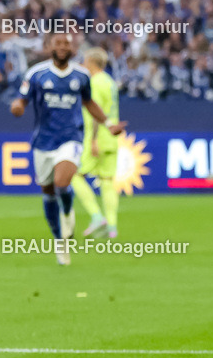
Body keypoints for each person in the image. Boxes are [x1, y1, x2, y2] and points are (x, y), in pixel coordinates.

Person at [9, 34, 126, 265]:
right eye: (58, 43)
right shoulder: (36, 74)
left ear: (72, 48)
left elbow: (89, 103)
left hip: (71, 138)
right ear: (49, 47)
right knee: (48, 192)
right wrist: (17, 107)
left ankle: (68, 213)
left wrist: (108, 124)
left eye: (66, 44)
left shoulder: (81, 75)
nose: (62, 47)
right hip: (43, 141)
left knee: (63, 182)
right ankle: (59, 242)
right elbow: (22, 99)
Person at [71, 47, 121, 239]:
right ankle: (112, 227)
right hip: (112, 137)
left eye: (85, 60)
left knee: (75, 175)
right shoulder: (110, 82)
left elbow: (96, 113)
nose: (83, 64)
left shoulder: (95, 82)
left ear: (91, 61)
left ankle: (96, 215)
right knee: (107, 182)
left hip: (98, 137)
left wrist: (92, 140)